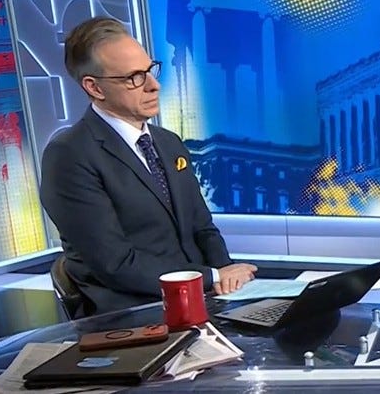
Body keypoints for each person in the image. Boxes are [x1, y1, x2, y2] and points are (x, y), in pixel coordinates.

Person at [40, 17, 257, 316]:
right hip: (132, 314)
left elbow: (202, 227)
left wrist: (228, 276)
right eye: (134, 78)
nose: (154, 86)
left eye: (150, 70)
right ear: (95, 87)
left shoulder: (168, 143)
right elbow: (116, 264)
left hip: (203, 299)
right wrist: (213, 276)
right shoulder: (69, 155)